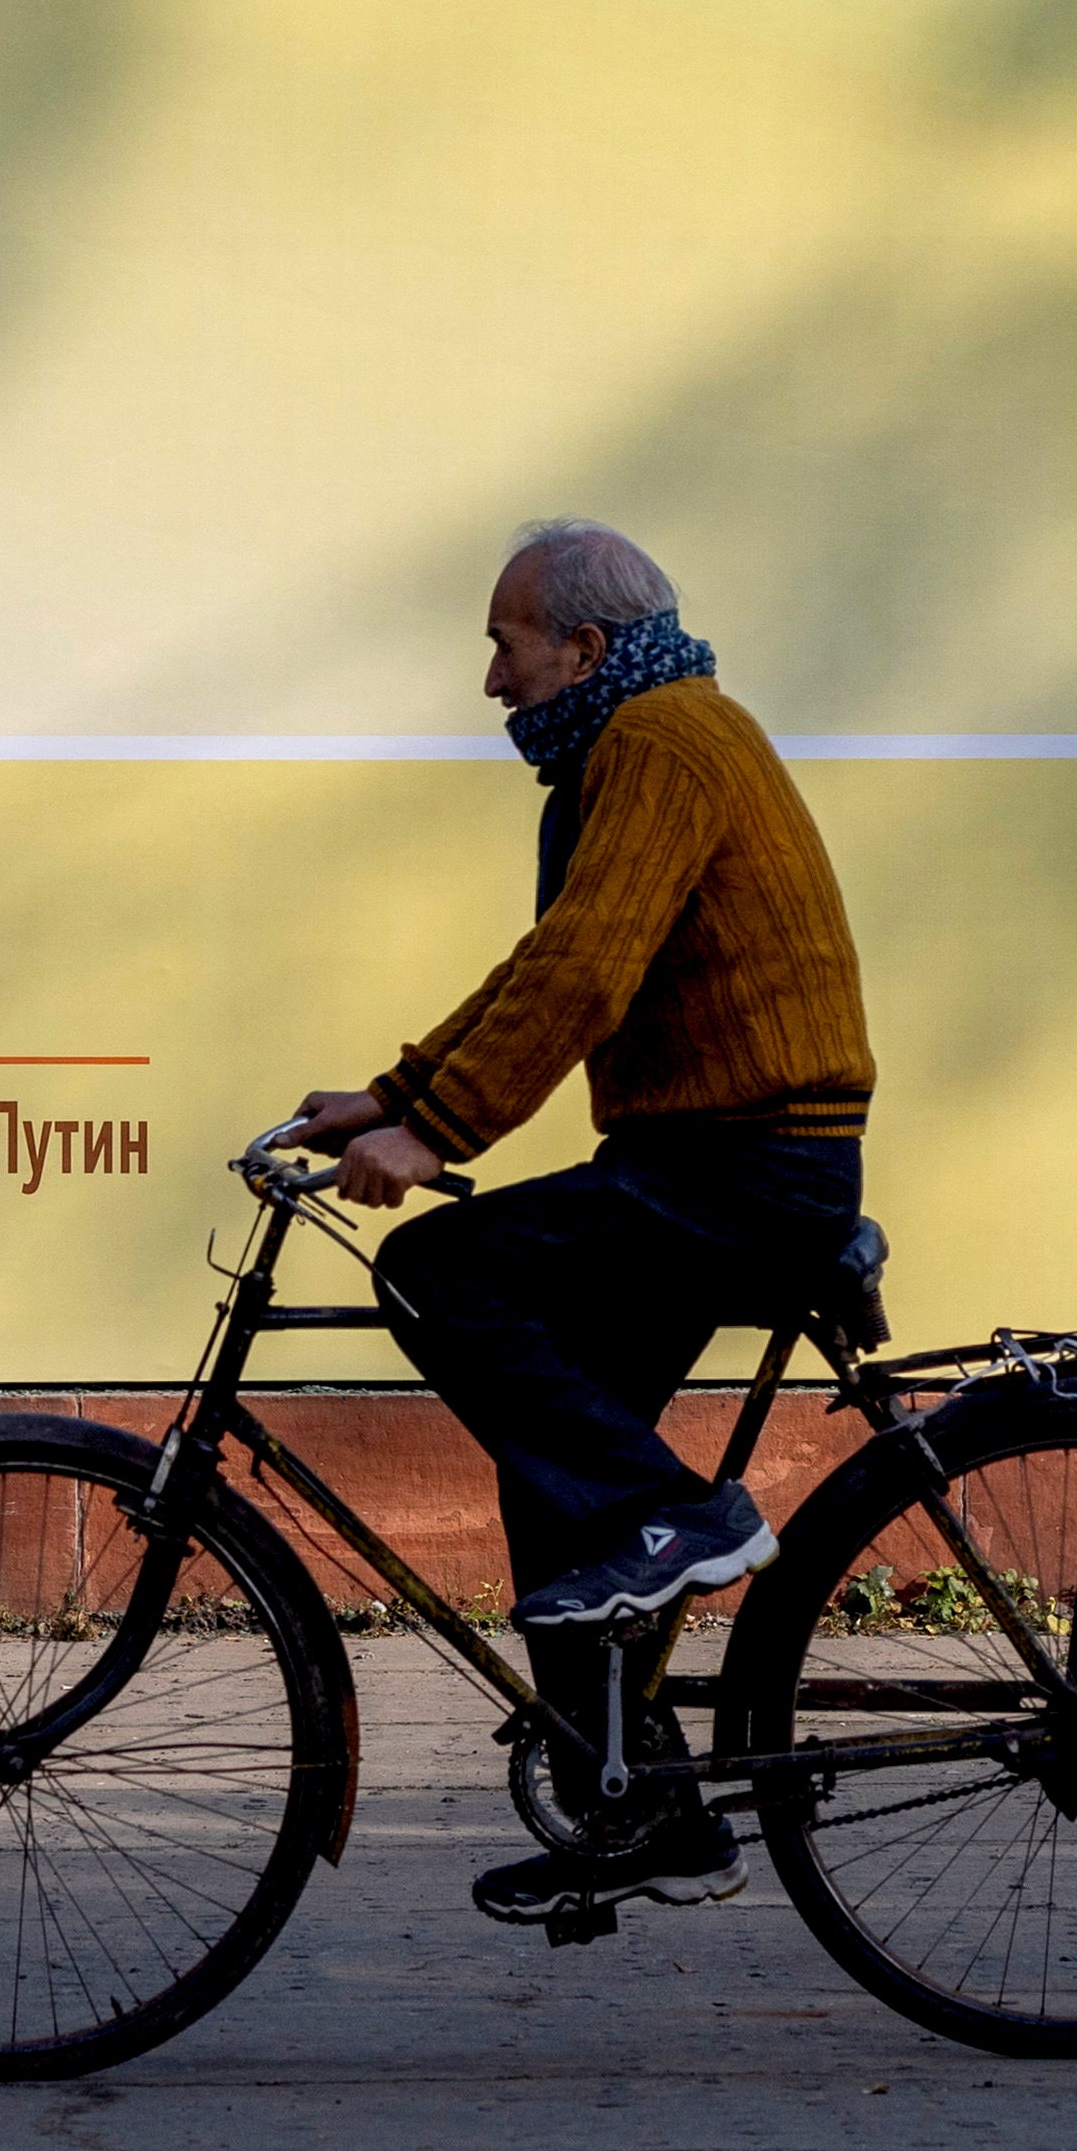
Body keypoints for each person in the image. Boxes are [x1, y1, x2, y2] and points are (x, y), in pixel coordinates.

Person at [280, 521, 874, 1925]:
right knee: (555, 1464)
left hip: (744, 1169)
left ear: (582, 648)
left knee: (435, 1268)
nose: (492, 679)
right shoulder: (652, 735)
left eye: (505, 643)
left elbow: (589, 970)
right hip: (708, 1156)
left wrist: (434, 1133)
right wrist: (394, 1088)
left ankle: (679, 1516)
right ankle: (643, 1804)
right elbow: (551, 958)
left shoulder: (661, 742)